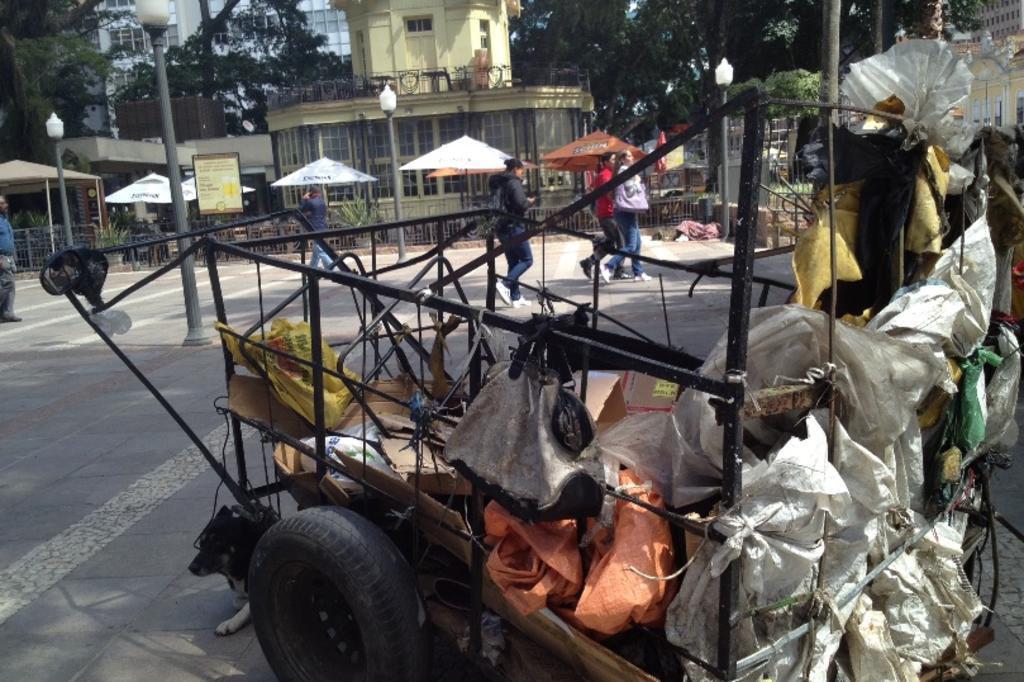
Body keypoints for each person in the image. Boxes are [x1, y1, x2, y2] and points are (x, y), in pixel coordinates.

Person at [489, 158, 536, 308]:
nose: (522, 174)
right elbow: (520, 205)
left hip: (501, 228)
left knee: (514, 262)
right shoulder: (513, 182)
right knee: (527, 259)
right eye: (522, 171)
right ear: (516, 168)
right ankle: (504, 284)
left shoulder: (499, 182)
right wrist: (529, 202)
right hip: (514, 227)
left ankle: (516, 297)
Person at [602, 151, 652, 283]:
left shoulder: (622, 170)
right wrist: (638, 181)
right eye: (629, 156)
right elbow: (630, 191)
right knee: (630, 245)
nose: (632, 158)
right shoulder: (625, 170)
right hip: (625, 212)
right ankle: (608, 266)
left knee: (637, 244)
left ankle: (638, 272)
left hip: (624, 211)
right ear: (622, 159)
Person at [579, 151, 623, 280]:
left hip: (605, 213)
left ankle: (589, 261)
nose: (616, 162)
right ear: (606, 162)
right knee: (623, 244)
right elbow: (609, 195)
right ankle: (617, 271)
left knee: (609, 244)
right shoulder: (605, 175)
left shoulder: (605, 174)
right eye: (613, 159)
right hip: (609, 213)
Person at [300, 187, 331, 269]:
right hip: (323, 227)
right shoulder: (322, 202)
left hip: (314, 228)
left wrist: (304, 199)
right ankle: (312, 268)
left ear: (311, 193)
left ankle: (331, 268)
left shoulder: (310, 202)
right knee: (316, 251)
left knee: (320, 250)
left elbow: (301, 209)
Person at [0, 195, 19, 323]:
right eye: (2, 203)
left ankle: (7, 313)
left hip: (9, 256)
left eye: (4, 202)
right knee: (8, 283)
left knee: (10, 286)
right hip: (1, 257)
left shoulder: (4, 219)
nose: (5, 205)